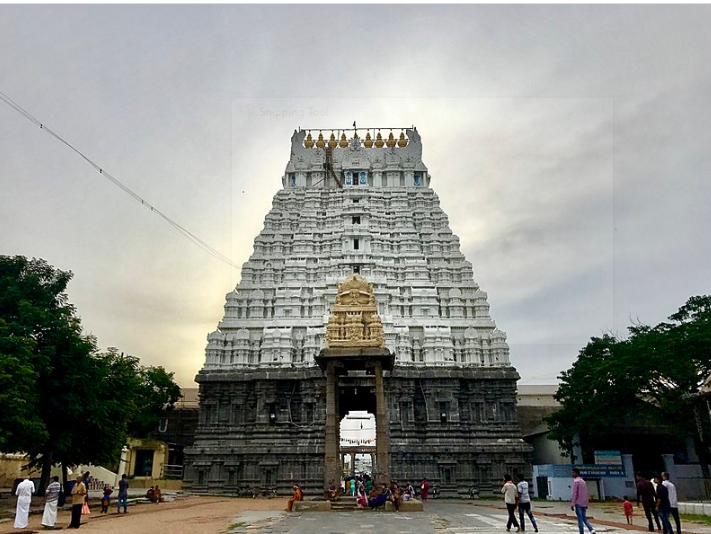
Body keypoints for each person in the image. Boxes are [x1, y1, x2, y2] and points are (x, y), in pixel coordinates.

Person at [571, 468, 596, 534]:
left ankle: (581, 532)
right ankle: (592, 530)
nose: (572, 474)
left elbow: (575, 493)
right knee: (584, 517)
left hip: (578, 503)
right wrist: (586, 504)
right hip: (584, 503)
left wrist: (572, 503)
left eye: (573, 472)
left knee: (580, 519)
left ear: (577, 473)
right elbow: (585, 493)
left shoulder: (576, 481)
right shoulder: (583, 481)